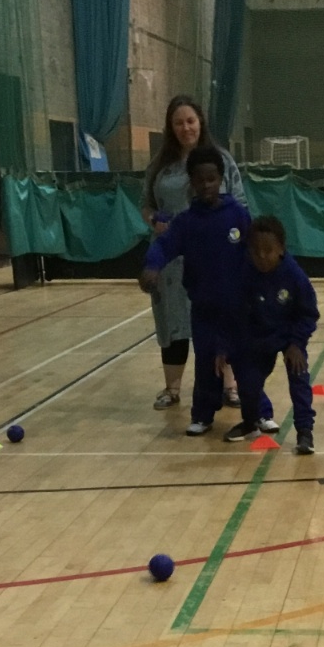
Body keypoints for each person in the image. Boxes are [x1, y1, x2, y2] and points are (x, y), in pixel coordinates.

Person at [139, 146, 277, 439]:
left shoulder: (237, 215)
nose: (206, 185)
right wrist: (152, 266)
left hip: (239, 310)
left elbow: (258, 250)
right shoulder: (186, 223)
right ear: (192, 182)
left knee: (246, 365)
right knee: (206, 363)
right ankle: (202, 415)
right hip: (204, 310)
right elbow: (164, 245)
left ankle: (260, 413)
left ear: (221, 179)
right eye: (200, 180)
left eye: (211, 179)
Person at [141, 95, 246, 412]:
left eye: (190, 121)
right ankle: (172, 388)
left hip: (215, 256)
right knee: (173, 324)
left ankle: (230, 386)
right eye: (178, 122)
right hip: (172, 262)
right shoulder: (160, 167)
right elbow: (147, 206)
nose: (185, 127)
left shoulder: (222, 159)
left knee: (222, 321)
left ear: (200, 122)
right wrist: (154, 221)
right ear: (170, 127)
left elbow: (241, 203)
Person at [225, 216, 320, 455]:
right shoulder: (244, 273)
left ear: (281, 249)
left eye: (268, 251)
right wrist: (225, 346)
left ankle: (305, 431)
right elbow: (234, 313)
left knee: (299, 376)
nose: (262, 256)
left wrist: (296, 343)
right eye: (256, 251)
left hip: (290, 335)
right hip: (258, 335)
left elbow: (309, 313)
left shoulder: (294, 276)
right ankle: (250, 422)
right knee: (248, 382)